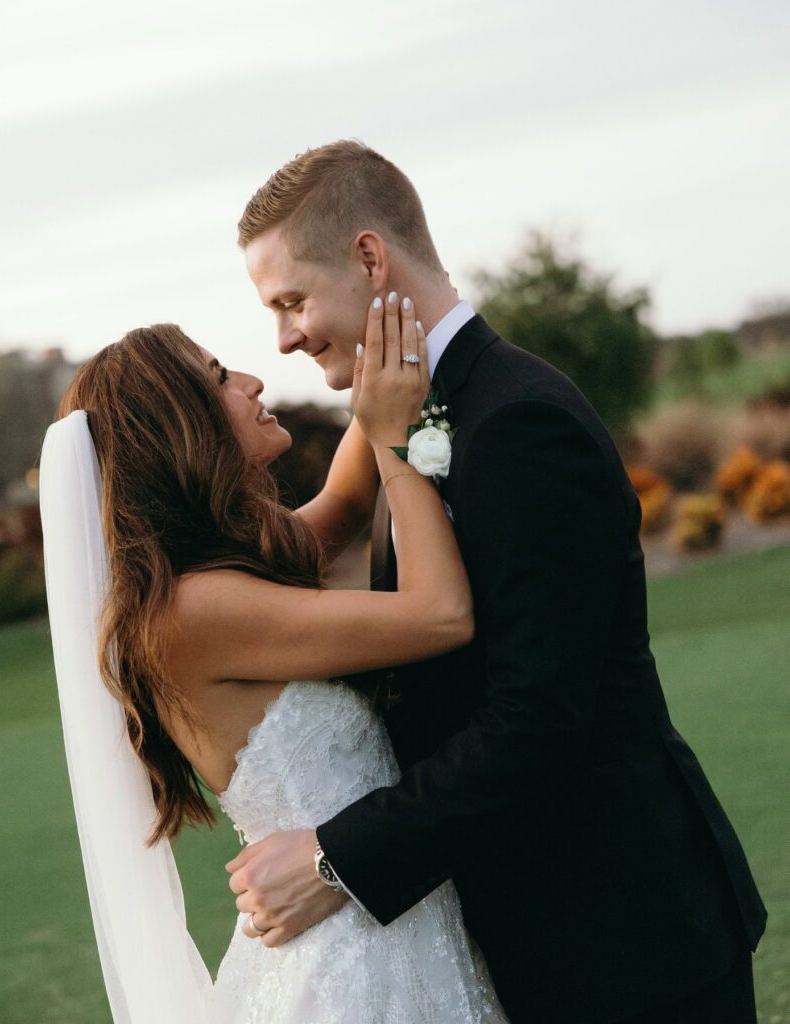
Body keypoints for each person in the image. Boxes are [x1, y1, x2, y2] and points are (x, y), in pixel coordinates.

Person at [225, 140, 767, 1024]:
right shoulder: (402, 417)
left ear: (368, 256)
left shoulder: (515, 421)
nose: (284, 336)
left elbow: (539, 719)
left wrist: (335, 858)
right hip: (541, 934)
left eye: (292, 300)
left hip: (623, 939)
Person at [41, 311, 509, 1022]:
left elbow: (348, 501)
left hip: (383, 916)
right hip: (346, 969)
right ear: (181, 428)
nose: (255, 380)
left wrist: (390, 340)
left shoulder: (218, 575)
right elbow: (440, 613)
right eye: (220, 378)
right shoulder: (193, 612)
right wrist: (393, 437)